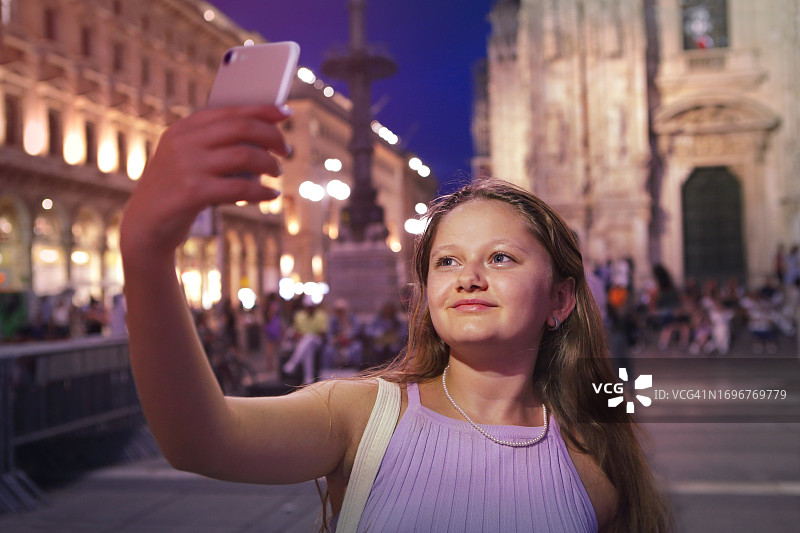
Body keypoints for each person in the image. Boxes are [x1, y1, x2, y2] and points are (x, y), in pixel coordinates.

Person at [120, 104, 670, 532]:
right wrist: (146, 252)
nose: (468, 277)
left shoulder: (592, 461)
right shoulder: (360, 415)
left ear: (560, 300)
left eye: (500, 258)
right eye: (447, 260)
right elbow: (199, 438)